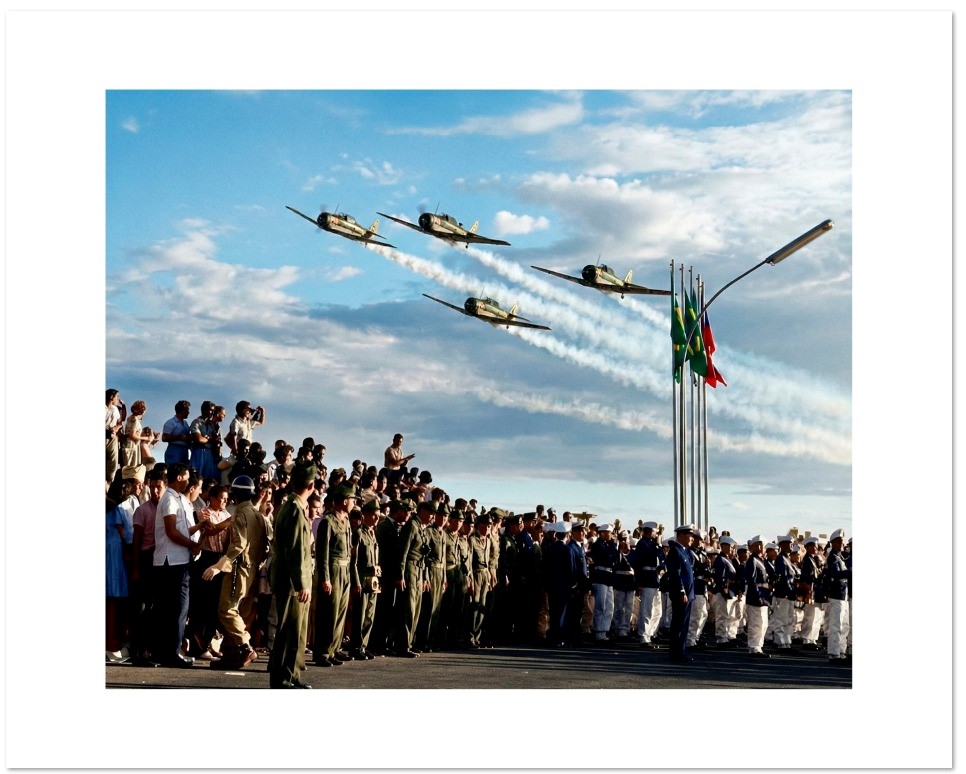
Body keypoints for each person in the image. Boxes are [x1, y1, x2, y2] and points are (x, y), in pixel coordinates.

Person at [200, 475, 268, 669]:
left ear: (235, 496)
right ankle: (231, 654)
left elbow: (238, 544)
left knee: (227, 610)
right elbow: (265, 545)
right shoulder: (258, 515)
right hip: (252, 570)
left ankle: (245, 647)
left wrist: (218, 566)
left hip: (238, 569)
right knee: (239, 613)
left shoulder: (240, 515)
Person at [267, 460, 316, 688]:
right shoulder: (295, 510)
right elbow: (295, 551)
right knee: (289, 632)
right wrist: (302, 583)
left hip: (288, 579)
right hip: (291, 581)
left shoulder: (291, 506)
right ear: (312, 485)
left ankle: (291, 676)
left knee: (294, 631)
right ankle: (284, 678)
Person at [153, 463, 204, 668]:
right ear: (179, 478)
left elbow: (182, 530)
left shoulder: (177, 499)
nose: (188, 481)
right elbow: (172, 532)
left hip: (178, 560)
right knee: (176, 609)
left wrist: (199, 527)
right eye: (185, 477)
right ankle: (170, 653)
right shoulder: (169, 499)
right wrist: (192, 545)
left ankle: (167, 652)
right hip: (171, 561)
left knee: (174, 609)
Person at [314, 482, 358, 667]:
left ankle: (335, 648)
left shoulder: (346, 520)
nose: (353, 503)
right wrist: (325, 578)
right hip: (332, 570)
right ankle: (322, 652)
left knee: (340, 611)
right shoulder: (328, 521)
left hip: (345, 569)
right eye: (351, 500)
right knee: (329, 613)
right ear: (344, 500)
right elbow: (322, 552)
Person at [129, 468, 165, 665]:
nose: (155, 492)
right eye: (152, 488)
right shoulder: (142, 510)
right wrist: (136, 568)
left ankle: (150, 651)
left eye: (158, 487)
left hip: (160, 559)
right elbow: (136, 541)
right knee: (142, 609)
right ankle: (138, 652)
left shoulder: (166, 508)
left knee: (154, 609)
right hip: (145, 558)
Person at [348, 498, 381, 660]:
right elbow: (353, 561)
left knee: (369, 614)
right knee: (360, 615)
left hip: (372, 579)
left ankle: (363, 645)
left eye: (377, 515)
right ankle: (355, 646)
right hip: (362, 578)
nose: (376, 518)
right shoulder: (358, 533)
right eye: (373, 515)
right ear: (365, 515)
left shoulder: (372, 533)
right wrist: (356, 582)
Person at [665, 524, 696, 664]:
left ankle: (680, 651)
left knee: (683, 624)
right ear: (682, 536)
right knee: (679, 624)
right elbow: (676, 574)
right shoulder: (675, 551)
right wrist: (681, 591)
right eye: (690, 536)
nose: (692, 539)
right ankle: (676, 652)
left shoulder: (684, 551)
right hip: (681, 594)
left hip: (688, 594)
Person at [632, 521, 664, 647]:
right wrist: (639, 582)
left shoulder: (652, 544)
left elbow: (661, 558)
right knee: (646, 609)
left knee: (657, 610)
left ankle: (651, 633)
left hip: (654, 579)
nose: (656, 534)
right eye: (655, 531)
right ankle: (644, 635)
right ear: (649, 531)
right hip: (646, 579)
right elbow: (640, 563)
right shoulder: (642, 544)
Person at [466, 512, 495, 649]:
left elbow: (488, 561)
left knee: (482, 606)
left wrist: (489, 577)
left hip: (484, 574)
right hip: (476, 573)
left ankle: (477, 637)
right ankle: (470, 636)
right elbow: (470, 562)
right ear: (480, 525)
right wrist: (470, 579)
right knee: (474, 608)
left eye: (490, 525)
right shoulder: (472, 539)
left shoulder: (488, 540)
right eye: (486, 525)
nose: (488, 528)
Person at [588, 523, 619, 642]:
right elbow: (607, 557)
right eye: (609, 533)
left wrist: (612, 545)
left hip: (608, 578)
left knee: (609, 606)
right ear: (602, 533)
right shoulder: (598, 545)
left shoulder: (609, 545)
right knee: (601, 606)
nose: (611, 535)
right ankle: (598, 631)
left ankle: (604, 630)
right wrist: (612, 544)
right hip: (600, 577)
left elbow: (615, 559)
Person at [825, 529, 851, 663]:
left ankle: (841, 651)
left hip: (843, 594)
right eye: (839, 542)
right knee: (836, 625)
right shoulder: (833, 558)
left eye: (842, 541)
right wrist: (850, 572)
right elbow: (835, 574)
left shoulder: (840, 557)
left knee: (844, 625)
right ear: (833, 543)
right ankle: (834, 653)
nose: (842, 544)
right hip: (837, 594)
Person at [743, 536, 772, 658]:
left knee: (763, 623)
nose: (760, 548)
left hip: (763, 595)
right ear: (752, 547)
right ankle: (754, 647)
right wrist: (757, 595)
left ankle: (758, 646)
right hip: (756, 596)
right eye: (757, 545)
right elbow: (751, 580)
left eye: (761, 545)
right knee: (756, 622)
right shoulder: (752, 560)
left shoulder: (761, 560)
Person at [710, 536, 740, 647]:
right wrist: (724, 589)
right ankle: (721, 638)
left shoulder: (728, 559)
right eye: (731, 547)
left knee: (727, 615)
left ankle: (726, 636)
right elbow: (719, 577)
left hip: (729, 590)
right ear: (724, 546)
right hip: (722, 591)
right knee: (722, 615)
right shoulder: (720, 560)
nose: (732, 550)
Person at [797, 536, 826, 651]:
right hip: (810, 590)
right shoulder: (807, 560)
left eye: (815, 546)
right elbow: (809, 576)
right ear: (807, 547)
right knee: (810, 616)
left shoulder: (814, 559)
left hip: (816, 590)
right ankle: (807, 639)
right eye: (812, 546)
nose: (815, 548)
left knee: (816, 616)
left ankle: (813, 639)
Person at [189, 401, 219, 481]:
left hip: (209, 452)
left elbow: (216, 439)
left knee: (208, 477)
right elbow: (199, 439)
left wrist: (208, 439)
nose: (212, 412)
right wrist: (209, 439)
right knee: (196, 477)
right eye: (211, 410)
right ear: (204, 410)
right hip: (198, 452)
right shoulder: (196, 422)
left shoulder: (211, 424)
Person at [121, 400, 152, 469]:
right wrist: (145, 438)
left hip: (127, 445)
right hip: (132, 446)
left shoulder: (130, 418)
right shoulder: (135, 420)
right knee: (131, 469)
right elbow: (132, 435)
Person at [105, 389, 126, 485]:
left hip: (112, 437)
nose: (118, 399)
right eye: (116, 397)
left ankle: (109, 483)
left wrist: (116, 428)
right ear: (111, 397)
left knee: (113, 462)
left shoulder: (115, 409)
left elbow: (120, 423)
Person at [162, 400, 192, 465]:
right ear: (183, 410)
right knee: (173, 471)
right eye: (187, 410)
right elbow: (164, 438)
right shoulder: (170, 422)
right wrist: (179, 437)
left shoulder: (185, 423)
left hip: (184, 451)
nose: (189, 412)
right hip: (174, 450)